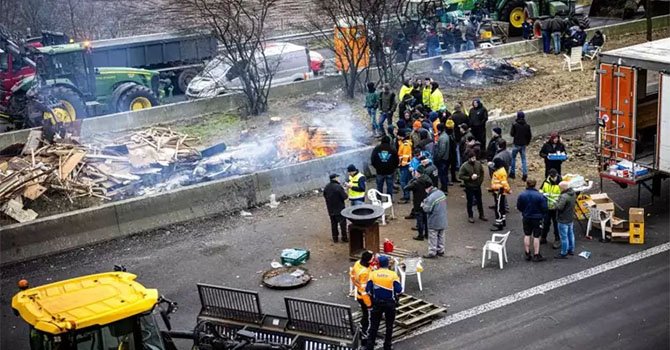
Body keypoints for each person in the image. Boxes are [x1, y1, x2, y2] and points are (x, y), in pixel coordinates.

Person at [365, 255, 402, 350]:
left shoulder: (373, 274)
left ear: (378, 264)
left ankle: (370, 345)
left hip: (377, 303)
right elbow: (399, 290)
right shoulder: (393, 275)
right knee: (389, 325)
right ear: (387, 264)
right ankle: (387, 346)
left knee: (374, 325)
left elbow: (368, 290)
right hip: (390, 303)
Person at [516, 179, 548, 262]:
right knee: (536, 236)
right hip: (537, 218)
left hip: (526, 217)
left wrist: (524, 212)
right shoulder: (540, 196)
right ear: (535, 185)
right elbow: (544, 208)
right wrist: (542, 215)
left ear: (527, 184)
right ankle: (536, 254)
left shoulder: (522, 195)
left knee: (527, 235)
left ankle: (527, 253)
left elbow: (519, 206)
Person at [421, 179, 448, 259]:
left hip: (434, 220)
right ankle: (441, 250)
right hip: (443, 218)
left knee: (433, 236)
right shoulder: (441, 193)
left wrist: (423, 204)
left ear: (427, 188)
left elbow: (427, 209)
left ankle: (432, 252)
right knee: (441, 235)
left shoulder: (431, 197)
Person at [458, 151, 487, 223]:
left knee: (479, 201)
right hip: (469, 187)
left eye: (475, 158)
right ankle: (470, 216)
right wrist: (469, 178)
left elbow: (482, 172)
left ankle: (481, 214)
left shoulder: (478, 164)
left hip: (477, 185)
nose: (474, 159)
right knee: (470, 202)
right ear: (469, 158)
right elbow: (460, 176)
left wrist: (480, 181)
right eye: (472, 158)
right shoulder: (464, 166)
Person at [350, 251, 373, 337]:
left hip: (359, 293)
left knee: (365, 313)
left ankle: (361, 328)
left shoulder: (357, 264)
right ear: (368, 261)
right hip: (364, 297)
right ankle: (365, 332)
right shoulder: (364, 272)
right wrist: (369, 304)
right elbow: (364, 291)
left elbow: (352, 275)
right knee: (368, 315)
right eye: (372, 258)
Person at [405, 168, 431, 240]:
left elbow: (406, 188)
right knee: (426, 218)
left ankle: (420, 235)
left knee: (419, 219)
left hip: (418, 202)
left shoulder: (415, 183)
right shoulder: (427, 179)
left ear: (418, 173)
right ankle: (427, 234)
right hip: (426, 201)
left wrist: (413, 179)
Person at [540, 169, 562, 249]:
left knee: (556, 224)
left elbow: (563, 195)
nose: (553, 178)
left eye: (554, 176)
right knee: (545, 223)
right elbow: (540, 190)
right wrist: (543, 194)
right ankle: (543, 237)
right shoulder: (546, 182)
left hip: (556, 208)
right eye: (551, 176)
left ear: (557, 175)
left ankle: (557, 239)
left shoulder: (561, 183)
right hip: (547, 207)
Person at [323, 174, 348, 243]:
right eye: (338, 177)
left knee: (333, 224)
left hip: (331, 209)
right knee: (342, 224)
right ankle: (344, 237)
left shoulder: (326, 187)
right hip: (340, 209)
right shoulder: (338, 187)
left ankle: (335, 238)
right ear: (335, 178)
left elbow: (325, 196)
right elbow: (345, 197)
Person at [554, 181, 576, 259]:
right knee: (571, 234)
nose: (559, 189)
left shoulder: (564, 196)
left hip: (563, 219)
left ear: (563, 188)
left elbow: (559, 207)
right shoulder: (573, 194)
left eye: (560, 188)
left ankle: (564, 252)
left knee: (564, 237)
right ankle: (571, 249)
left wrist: (556, 202)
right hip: (570, 218)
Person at [489, 158, 511, 231]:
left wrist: (508, 190)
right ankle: (503, 221)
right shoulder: (501, 171)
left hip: (499, 192)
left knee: (498, 208)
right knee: (501, 207)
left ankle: (499, 224)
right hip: (500, 191)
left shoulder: (500, 172)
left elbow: (504, 183)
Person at [509, 111, 532, 181]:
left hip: (516, 144)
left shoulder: (515, 125)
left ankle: (512, 173)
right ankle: (524, 174)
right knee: (523, 160)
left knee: (513, 158)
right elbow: (529, 136)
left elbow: (512, 134)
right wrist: (527, 142)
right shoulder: (527, 126)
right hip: (523, 144)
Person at [434, 123, 451, 192]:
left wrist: (437, 158)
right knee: (444, 174)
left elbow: (442, 150)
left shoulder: (443, 138)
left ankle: (444, 189)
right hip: (445, 158)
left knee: (442, 175)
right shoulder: (445, 136)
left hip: (442, 159)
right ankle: (444, 188)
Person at [397, 131, 413, 203]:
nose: (397, 136)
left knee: (403, 181)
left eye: (398, 135)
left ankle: (406, 196)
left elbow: (405, 156)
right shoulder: (405, 143)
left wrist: (402, 164)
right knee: (406, 181)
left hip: (405, 165)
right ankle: (406, 196)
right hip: (406, 165)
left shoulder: (405, 145)